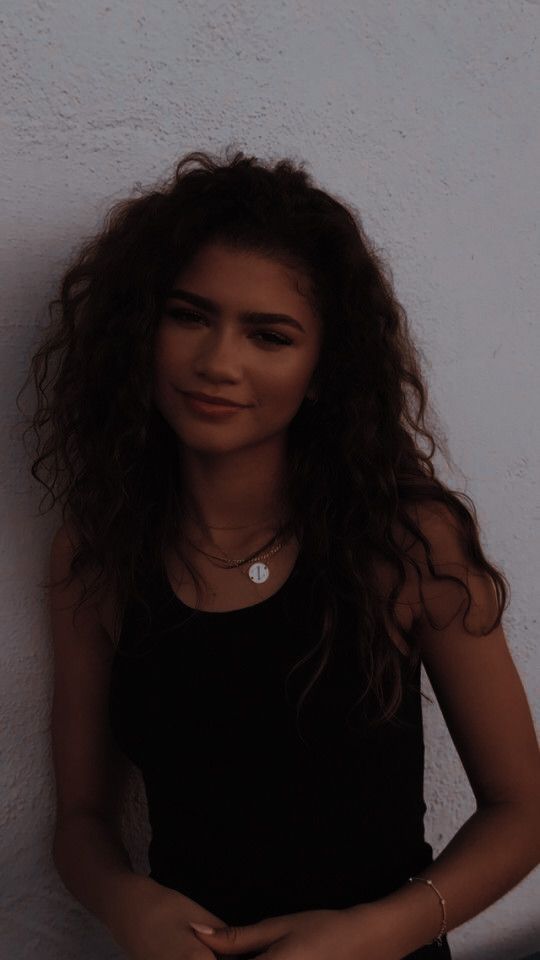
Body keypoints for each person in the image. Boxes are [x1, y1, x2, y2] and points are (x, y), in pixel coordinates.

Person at [18, 148, 540, 960]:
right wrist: (128, 904)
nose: (218, 362)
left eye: (269, 334)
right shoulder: (97, 552)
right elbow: (82, 820)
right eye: (189, 315)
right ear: (140, 327)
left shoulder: (405, 542)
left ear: (324, 370)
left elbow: (523, 810)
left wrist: (375, 932)